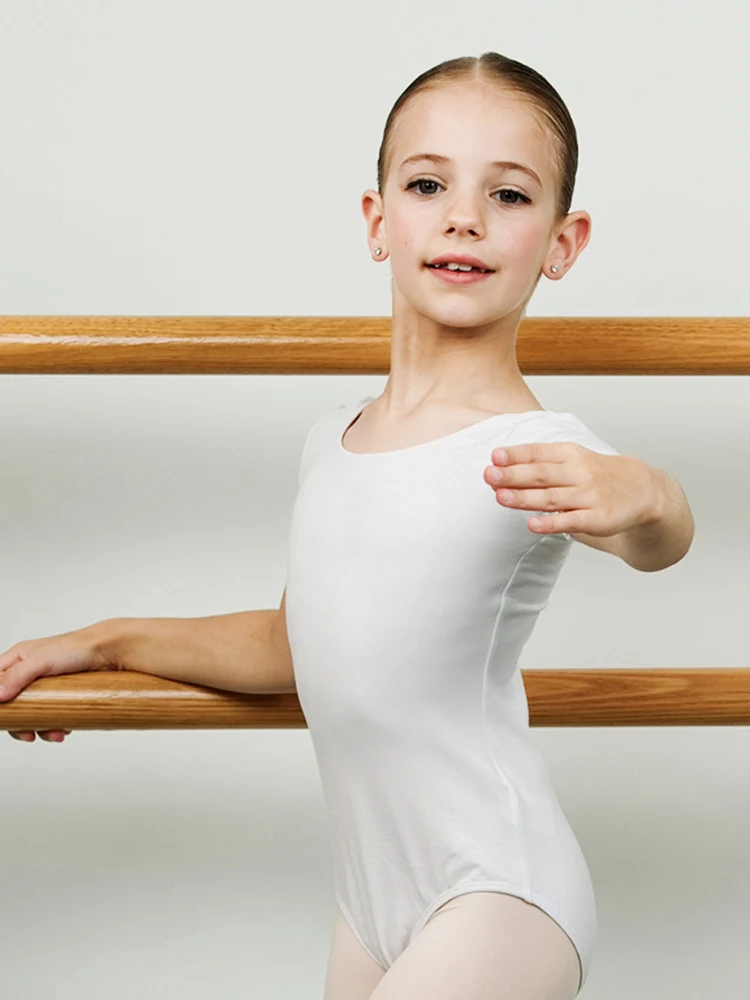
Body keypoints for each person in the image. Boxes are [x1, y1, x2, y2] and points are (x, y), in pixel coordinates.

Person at [1, 51, 689, 1000]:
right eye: (427, 183)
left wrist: (646, 494)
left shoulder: (539, 446)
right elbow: (293, 646)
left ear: (562, 245)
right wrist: (99, 641)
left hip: (500, 890)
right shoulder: (334, 439)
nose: (464, 216)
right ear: (378, 221)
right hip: (369, 908)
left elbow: (659, 539)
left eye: (510, 195)